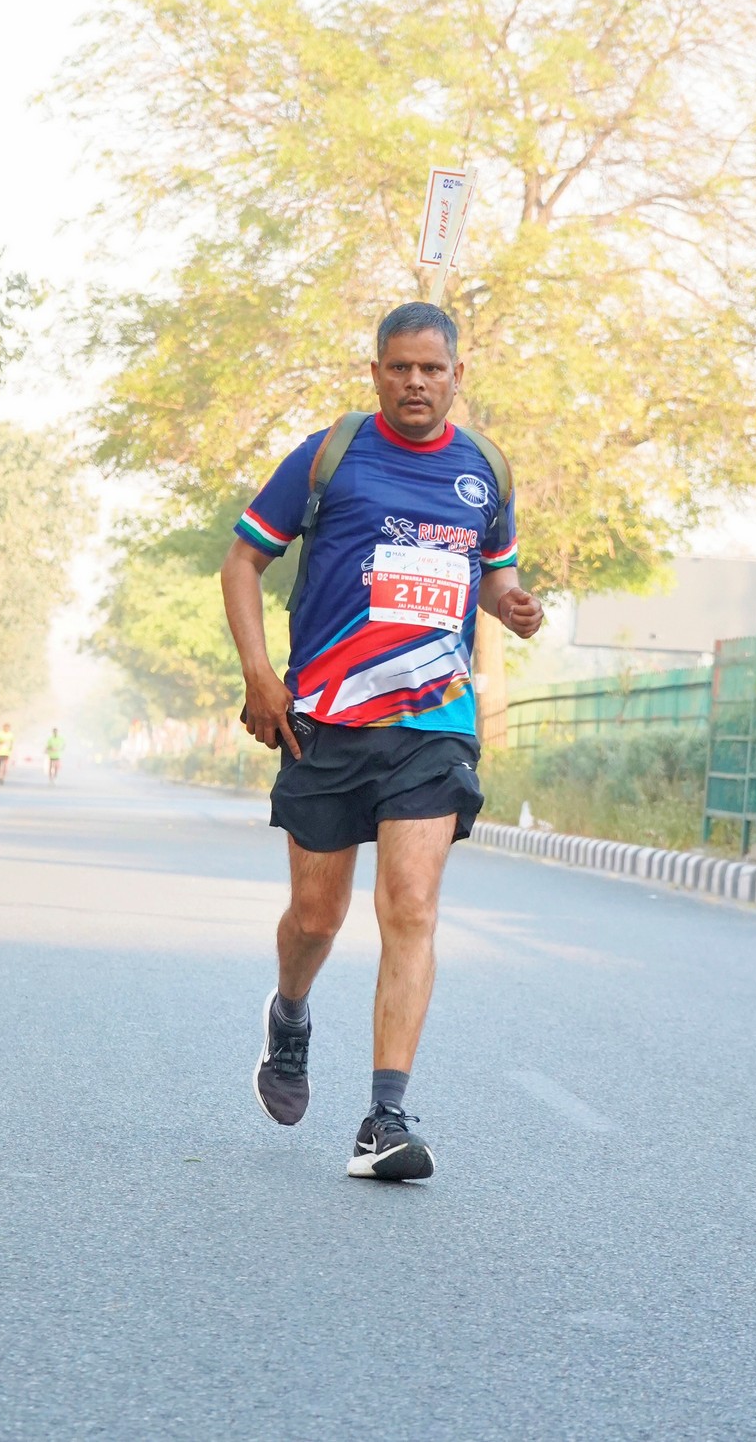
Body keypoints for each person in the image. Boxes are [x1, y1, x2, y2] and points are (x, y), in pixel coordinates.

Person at [221, 301, 543, 1182]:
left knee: (410, 906)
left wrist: (512, 606)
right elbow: (243, 559)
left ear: (456, 376)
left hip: (433, 723)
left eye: (431, 369)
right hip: (325, 719)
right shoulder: (330, 454)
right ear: (375, 374)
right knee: (315, 918)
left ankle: (384, 1118)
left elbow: (493, 576)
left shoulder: (484, 470)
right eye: (398, 367)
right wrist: (259, 675)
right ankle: (290, 1013)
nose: (415, 383)